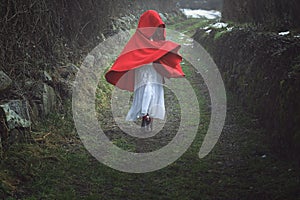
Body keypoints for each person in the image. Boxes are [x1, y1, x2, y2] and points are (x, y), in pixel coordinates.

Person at [105, 10, 184, 132]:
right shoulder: (150, 39)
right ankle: (147, 115)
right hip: (149, 69)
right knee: (150, 89)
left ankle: (146, 114)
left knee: (146, 89)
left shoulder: (138, 38)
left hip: (145, 70)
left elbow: (129, 54)